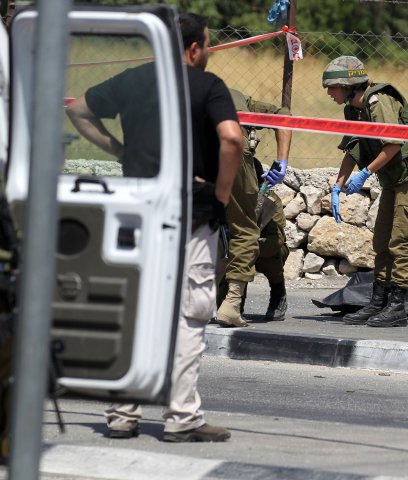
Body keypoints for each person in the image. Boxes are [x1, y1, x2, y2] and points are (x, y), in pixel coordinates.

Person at [65, 12, 242, 442]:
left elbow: (81, 112)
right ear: (194, 48)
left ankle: (122, 413)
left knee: (134, 311)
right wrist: (220, 194)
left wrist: (120, 150)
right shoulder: (208, 86)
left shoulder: (133, 80)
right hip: (190, 217)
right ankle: (182, 417)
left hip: (137, 216)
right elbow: (232, 138)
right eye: (207, 44)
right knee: (189, 316)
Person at [323, 56, 408, 328]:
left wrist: (365, 173)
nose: (329, 93)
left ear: (348, 85)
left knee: (401, 241)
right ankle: (378, 301)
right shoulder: (354, 109)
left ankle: (397, 307)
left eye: (332, 87)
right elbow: (352, 147)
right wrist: (338, 186)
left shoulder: (378, 101)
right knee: (381, 242)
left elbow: (393, 144)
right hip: (392, 177)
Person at [215, 89, 292, 327]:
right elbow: (282, 116)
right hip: (230, 149)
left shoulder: (268, 201)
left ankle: (276, 291)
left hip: (258, 254)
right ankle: (229, 301)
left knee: (256, 242)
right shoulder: (239, 102)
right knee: (231, 235)